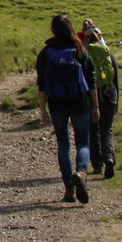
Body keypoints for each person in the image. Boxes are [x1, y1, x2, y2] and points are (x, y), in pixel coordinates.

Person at [36, 13, 101, 204]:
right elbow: (91, 80)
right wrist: (95, 106)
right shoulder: (79, 49)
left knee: (63, 144)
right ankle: (81, 173)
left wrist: (42, 109)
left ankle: (69, 190)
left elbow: (41, 83)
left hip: (56, 103)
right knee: (83, 142)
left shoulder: (46, 53)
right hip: (80, 102)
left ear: (53, 31)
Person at [83, 20, 121, 179]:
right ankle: (109, 158)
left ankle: (97, 165)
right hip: (109, 94)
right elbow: (115, 78)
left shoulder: (83, 55)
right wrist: (116, 99)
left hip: (92, 97)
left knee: (93, 131)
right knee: (107, 130)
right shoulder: (108, 52)